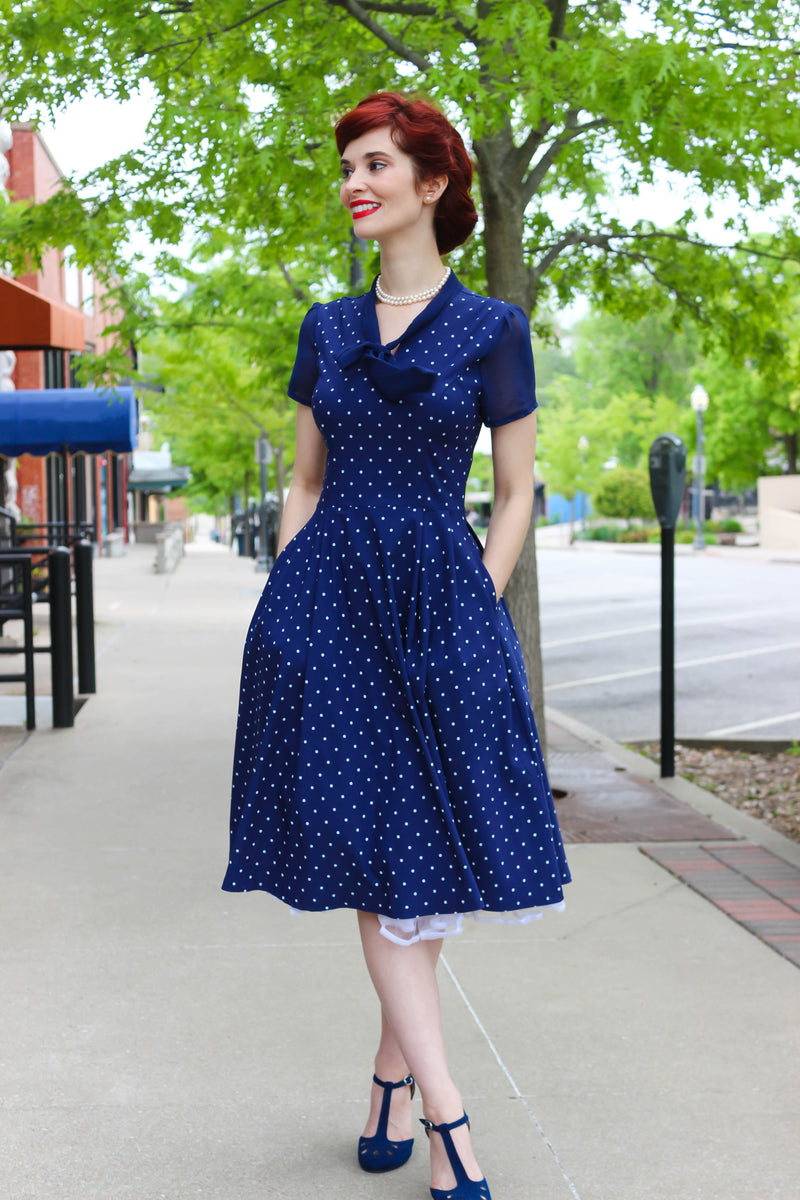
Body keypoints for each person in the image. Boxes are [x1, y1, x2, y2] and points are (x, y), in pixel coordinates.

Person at [223, 91, 571, 1200]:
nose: (354, 183)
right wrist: (291, 592)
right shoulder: (324, 327)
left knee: (423, 852)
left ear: (433, 186)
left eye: (376, 164)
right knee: (380, 863)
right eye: (348, 167)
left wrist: (475, 600)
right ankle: (448, 1123)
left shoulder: (490, 328)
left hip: (441, 604)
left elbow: (514, 492)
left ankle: (384, 1081)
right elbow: (305, 479)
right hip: (329, 612)